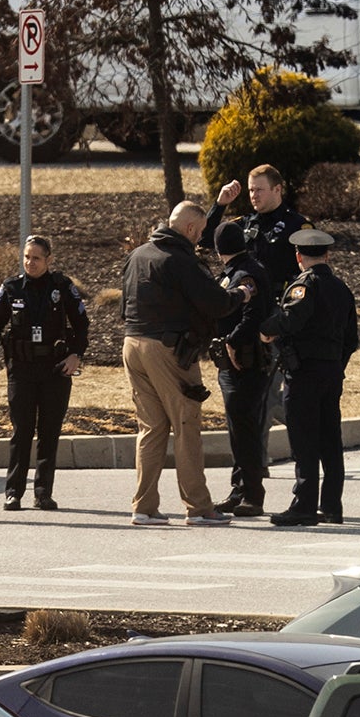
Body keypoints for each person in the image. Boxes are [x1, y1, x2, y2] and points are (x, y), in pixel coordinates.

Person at [121, 201, 232, 527]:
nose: (199, 239)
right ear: (188, 229)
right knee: (186, 426)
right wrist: (241, 294)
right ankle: (198, 507)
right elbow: (216, 303)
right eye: (198, 233)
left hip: (132, 345)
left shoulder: (138, 255)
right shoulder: (180, 259)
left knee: (151, 429)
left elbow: (124, 304)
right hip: (169, 350)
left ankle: (144, 507)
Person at [204, 166, 304, 518]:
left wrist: (283, 323)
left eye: (259, 190)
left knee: (254, 412)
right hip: (243, 326)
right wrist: (219, 205)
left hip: (273, 327)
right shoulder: (243, 225)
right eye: (250, 190)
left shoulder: (296, 227)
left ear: (278, 189)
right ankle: (243, 486)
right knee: (243, 416)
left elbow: (303, 281)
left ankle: (253, 488)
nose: (253, 196)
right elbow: (206, 240)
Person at [0, 235, 88, 512]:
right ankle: (13, 492)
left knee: (49, 432)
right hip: (21, 370)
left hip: (55, 370)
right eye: (27, 257)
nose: (30, 262)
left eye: (36, 258)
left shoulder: (62, 287)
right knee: (22, 431)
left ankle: (43, 493)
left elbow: (82, 325)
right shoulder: (12, 288)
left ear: (49, 259)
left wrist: (76, 355)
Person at [264, 228, 359, 528]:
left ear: (298, 256)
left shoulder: (304, 285)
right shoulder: (342, 289)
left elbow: (291, 319)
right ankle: (331, 505)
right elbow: (351, 339)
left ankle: (304, 505)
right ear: (327, 255)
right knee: (330, 439)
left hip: (304, 372)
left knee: (304, 440)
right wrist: (336, 364)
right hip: (331, 372)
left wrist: (266, 329)